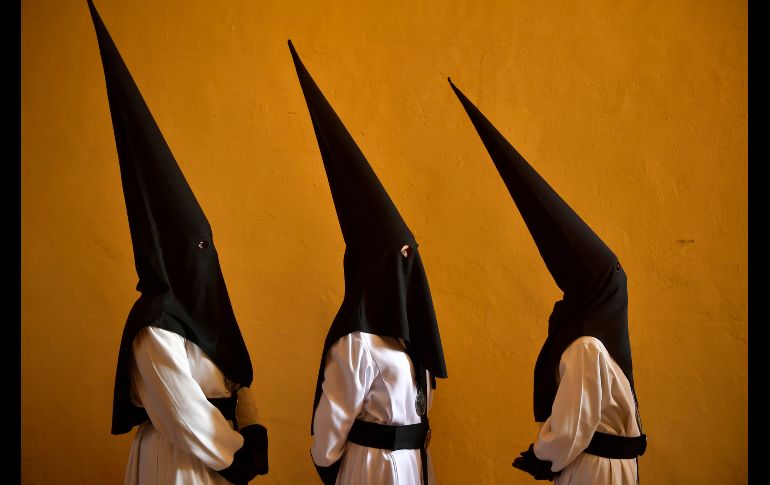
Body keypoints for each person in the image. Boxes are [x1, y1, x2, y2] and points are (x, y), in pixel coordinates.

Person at [87, 2, 268, 483]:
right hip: (179, 465)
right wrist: (239, 451)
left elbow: (234, 375)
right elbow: (182, 413)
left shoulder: (203, 320)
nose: (205, 258)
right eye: (195, 246)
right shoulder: (154, 327)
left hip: (213, 462)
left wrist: (251, 427)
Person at [449, 78, 647, 484]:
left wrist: (542, 455)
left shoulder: (587, 346)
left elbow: (573, 426)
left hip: (593, 471)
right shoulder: (598, 342)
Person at [288, 40, 448, 485]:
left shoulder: (407, 339)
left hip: (413, 467)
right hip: (372, 471)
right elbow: (328, 432)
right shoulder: (356, 343)